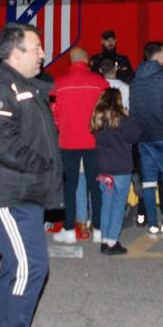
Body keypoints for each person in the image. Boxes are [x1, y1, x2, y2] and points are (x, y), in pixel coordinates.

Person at [0, 23, 62, 327]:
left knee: (15, 269)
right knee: (31, 267)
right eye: (36, 47)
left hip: (26, 193)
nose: (43, 53)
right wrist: (40, 165)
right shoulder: (0, 88)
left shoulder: (27, 86)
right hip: (7, 194)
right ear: (15, 52)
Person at [51, 46, 107, 244]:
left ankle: (68, 230)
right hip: (94, 140)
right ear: (86, 59)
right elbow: (107, 110)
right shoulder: (99, 82)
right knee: (95, 185)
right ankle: (99, 229)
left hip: (67, 141)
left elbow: (54, 113)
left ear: (71, 61)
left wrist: (62, 126)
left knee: (69, 185)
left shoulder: (58, 83)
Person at [129, 41, 163, 235]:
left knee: (149, 181)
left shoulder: (135, 80)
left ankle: (152, 223)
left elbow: (133, 111)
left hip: (144, 138)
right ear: (158, 56)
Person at [92, 87, 139, 254]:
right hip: (121, 168)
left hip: (104, 169)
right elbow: (135, 136)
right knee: (119, 204)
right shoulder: (122, 120)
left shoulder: (97, 120)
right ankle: (113, 241)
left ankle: (105, 240)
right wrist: (128, 117)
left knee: (106, 203)